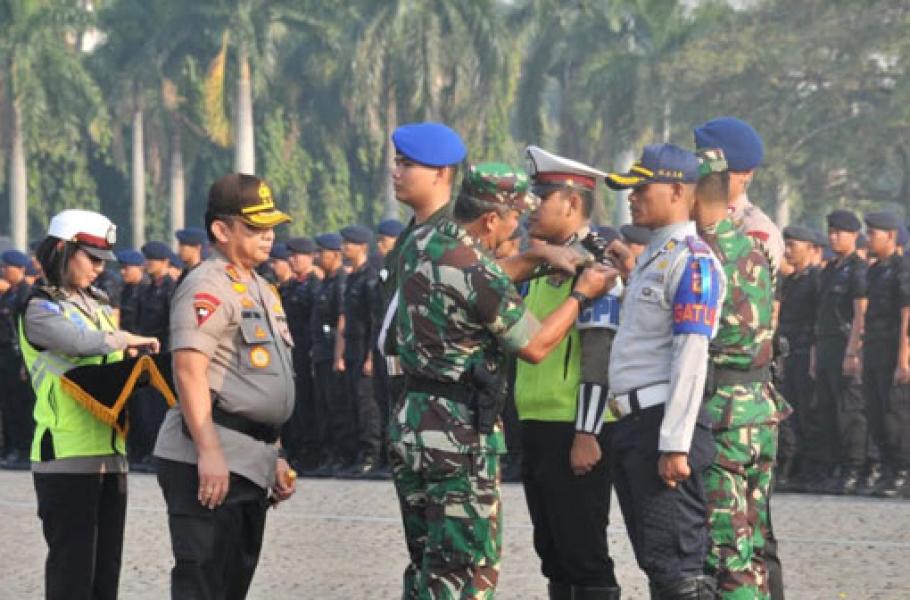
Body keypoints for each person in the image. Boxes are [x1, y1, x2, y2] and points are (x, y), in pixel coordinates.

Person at [392, 161, 617, 598]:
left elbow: (475, 279)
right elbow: (533, 345)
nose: (518, 228)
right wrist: (580, 295)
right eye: (514, 219)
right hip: (459, 437)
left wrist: (535, 257)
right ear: (490, 218)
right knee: (465, 568)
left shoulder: (421, 243)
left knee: (427, 564)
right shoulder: (477, 268)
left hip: (414, 422)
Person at [153, 173, 297, 598]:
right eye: (255, 227)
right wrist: (209, 452)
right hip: (209, 458)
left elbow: (258, 383)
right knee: (204, 584)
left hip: (250, 459)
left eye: (271, 226)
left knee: (232, 585)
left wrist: (275, 453)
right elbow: (189, 370)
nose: (268, 236)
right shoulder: (207, 284)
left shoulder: (263, 289)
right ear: (221, 229)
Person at [603, 143, 724, 599]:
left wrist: (675, 443)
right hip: (634, 423)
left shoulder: (692, 260)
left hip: (663, 425)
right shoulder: (656, 255)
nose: (632, 197)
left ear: (677, 191)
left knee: (680, 570)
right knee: (657, 561)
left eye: (640, 188)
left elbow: (691, 357)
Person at [21, 209, 160, 600]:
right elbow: (80, 344)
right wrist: (125, 338)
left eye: (104, 261)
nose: (100, 268)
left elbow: (110, 364)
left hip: (110, 453)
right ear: (63, 250)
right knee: (73, 574)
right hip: (65, 454)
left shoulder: (97, 303)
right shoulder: (40, 307)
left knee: (105, 575)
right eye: (92, 258)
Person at [517, 146, 621, 599]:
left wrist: (587, 431)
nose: (529, 208)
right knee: (553, 551)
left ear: (572, 204)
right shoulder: (541, 262)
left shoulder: (595, 265)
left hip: (574, 427)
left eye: (541, 198)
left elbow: (598, 355)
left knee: (584, 552)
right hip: (537, 422)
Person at [693, 149, 788, 599]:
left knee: (724, 552)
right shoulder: (752, 243)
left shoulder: (702, 254)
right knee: (750, 546)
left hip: (724, 416)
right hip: (759, 412)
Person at [812, 209, 869, 494]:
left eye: (840, 233)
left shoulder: (859, 269)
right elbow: (821, 315)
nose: (833, 237)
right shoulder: (831, 269)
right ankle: (833, 466)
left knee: (850, 412)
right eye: (831, 231)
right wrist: (815, 353)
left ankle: (854, 468)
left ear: (854, 236)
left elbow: (861, 313)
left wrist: (852, 352)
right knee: (827, 410)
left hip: (845, 346)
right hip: (826, 345)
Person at [862, 211, 910, 498]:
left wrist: (904, 356)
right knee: (877, 412)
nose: (868, 239)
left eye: (873, 234)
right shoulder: (875, 269)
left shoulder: (903, 267)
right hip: (874, 348)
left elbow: (907, 312)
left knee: (897, 413)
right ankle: (889, 470)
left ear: (890, 236)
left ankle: (903, 471)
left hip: (893, 347)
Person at [776, 226, 821, 490]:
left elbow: (818, 318)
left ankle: (806, 468)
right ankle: (790, 468)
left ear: (811, 248)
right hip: (789, 351)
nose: (788, 250)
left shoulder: (816, 279)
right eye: (787, 244)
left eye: (794, 244)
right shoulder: (792, 281)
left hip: (807, 351)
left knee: (806, 412)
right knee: (789, 413)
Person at [337, 224, 381, 477]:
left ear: (362, 247)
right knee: (353, 405)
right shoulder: (353, 277)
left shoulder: (369, 278)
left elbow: (374, 321)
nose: (344, 248)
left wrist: (371, 356)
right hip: (352, 350)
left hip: (365, 350)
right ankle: (357, 455)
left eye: (348, 244)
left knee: (368, 408)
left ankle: (371, 456)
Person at [132, 241, 177, 472]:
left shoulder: (172, 288)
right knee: (146, 406)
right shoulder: (146, 288)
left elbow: (173, 325)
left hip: (163, 353)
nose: (147, 264)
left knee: (161, 406)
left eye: (152, 260)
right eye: (147, 260)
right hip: (145, 353)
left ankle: (162, 454)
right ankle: (150, 451)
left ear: (165, 262)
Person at [309, 232, 351, 475]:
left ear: (335, 254)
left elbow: (342, 321)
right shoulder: (326, 282)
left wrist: (339, 356)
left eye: (321, 252)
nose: (317, 256)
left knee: (337, 407)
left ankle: (340, 456)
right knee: (323, 406)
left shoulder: (341, 282)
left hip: (334, 352)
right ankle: (328, 456)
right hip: (321, 352)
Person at [284, 237, 321, 471]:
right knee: (295, 402)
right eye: (291, 255)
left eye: (298, 255)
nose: (293, 259)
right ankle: (299, 449)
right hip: (292, 350)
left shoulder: (315, 285)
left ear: (310, 257)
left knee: (309, 402)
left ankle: (311, 451)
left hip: (309, 348)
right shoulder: (291, 286)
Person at [371, 219, 403, 477]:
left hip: (400, 348)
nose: (380, 245)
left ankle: (393, 456)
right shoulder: (384, 267)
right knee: (383, 401)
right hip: (381, 344)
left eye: (385, 240)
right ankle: (385, 456)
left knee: (397, 403)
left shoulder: (403, 262)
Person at [0, 250, 35, 469]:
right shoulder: (7, 294)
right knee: (7, 405)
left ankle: (23, 449)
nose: (3, 271)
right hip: (4, 355)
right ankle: (11, 448)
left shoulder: (26, 294)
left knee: (22, 405)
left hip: (19, 356)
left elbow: (28, 330)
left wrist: (25, 361)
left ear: (20, 269)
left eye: (6, 267)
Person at [115, 250, 146, 333]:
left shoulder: (148, 289)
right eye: (120, 268)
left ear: (140, 268)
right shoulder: (123, 289)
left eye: (126, 268)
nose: (122, 272)